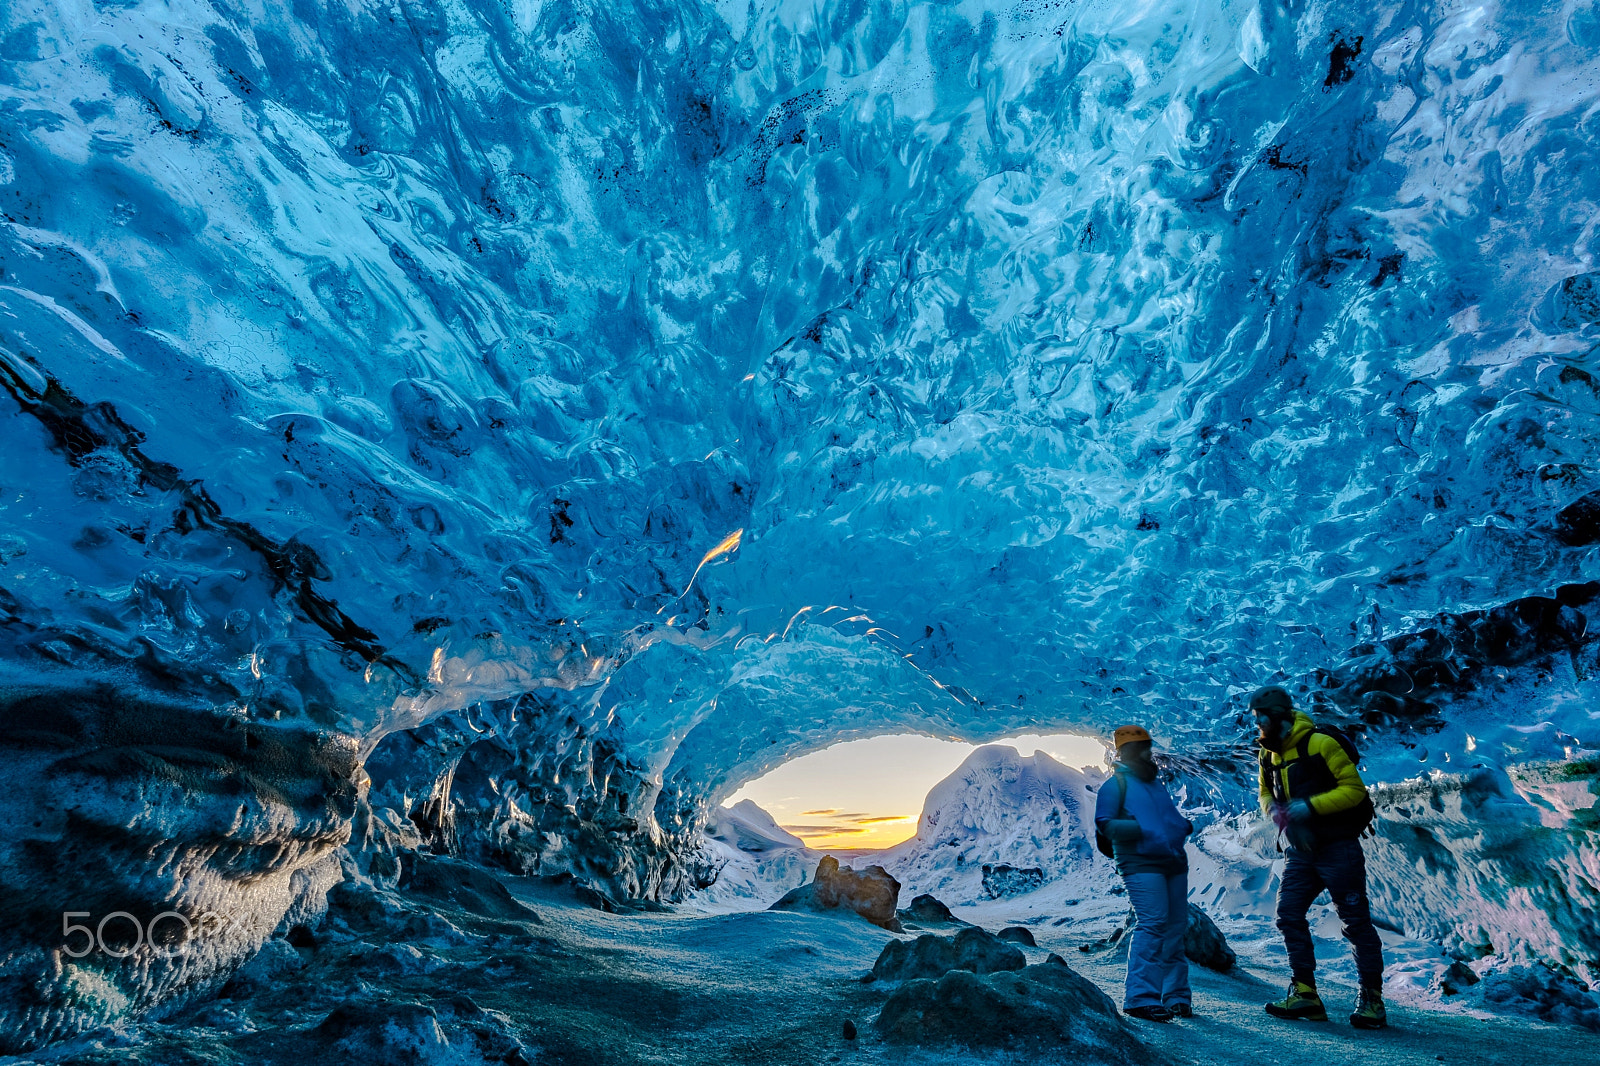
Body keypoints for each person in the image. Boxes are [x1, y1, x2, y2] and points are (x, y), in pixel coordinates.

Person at [1250, 684, 1387, 1030]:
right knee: (1288, 914)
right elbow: (1265, 792)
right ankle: (1306, 995)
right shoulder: (1268, 753)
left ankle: (1372, 999)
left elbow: (1354, 791)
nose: (1257, 724)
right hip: (1299, 851)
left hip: (1338, 847)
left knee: (1355, 922)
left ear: (1279, 716)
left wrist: (1306, 807)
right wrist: (1275, 812)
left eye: (1262, 717)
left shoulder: (1319, 744)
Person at [1094, 724, 1194, 1023]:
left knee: (1175, 929)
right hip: (1139, 863)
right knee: (1152, 924)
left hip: (1172, 861)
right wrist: (1142, 829)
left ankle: (1176, 997)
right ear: (1127, 751)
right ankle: (1140, 998)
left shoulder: (1155, 784)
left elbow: (1168, 819)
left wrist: (1180, 827)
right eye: (1143, 748)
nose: (1149, 753)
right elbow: (1105, 824)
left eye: (1148, 747)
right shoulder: (1114, 786)